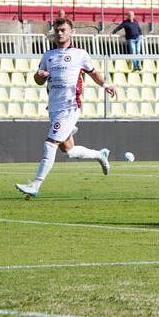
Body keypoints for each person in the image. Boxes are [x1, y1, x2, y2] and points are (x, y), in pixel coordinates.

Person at [16, 18, 117, 198]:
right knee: (68, 150)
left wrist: (106, 85)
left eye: (63, 30)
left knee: (50, 143)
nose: (59, 33)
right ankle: (100, 155)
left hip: (70, 106)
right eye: (57, 30)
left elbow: (93, 72)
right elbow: (38, 80)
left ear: (71, 32)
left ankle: (36, 185)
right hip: (54, 107)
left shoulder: (80, 54)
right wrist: (39, 75)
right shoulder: (48, 55)